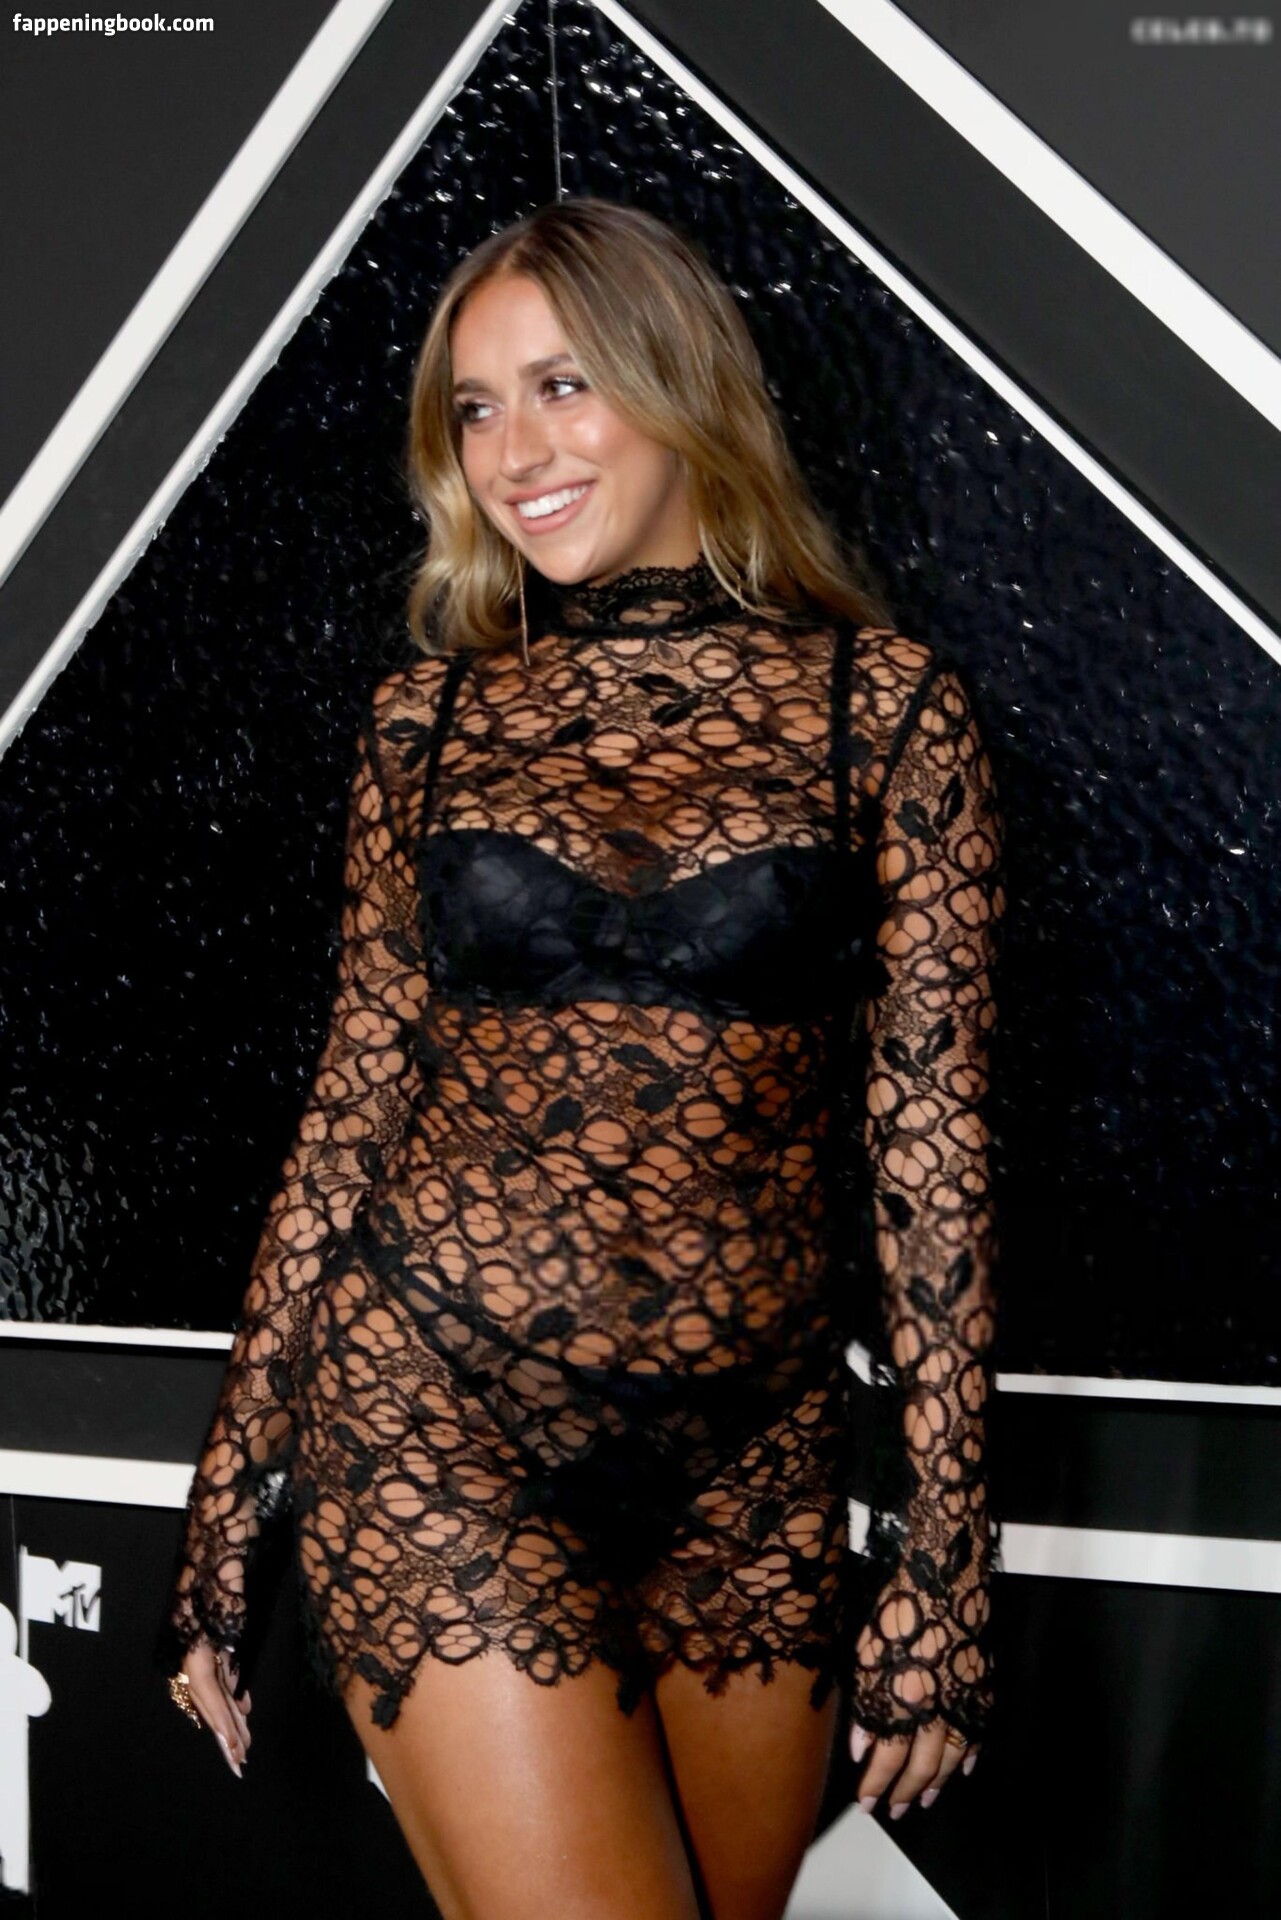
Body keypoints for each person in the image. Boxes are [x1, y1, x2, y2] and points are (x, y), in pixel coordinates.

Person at [161, 196, 1004, 1920]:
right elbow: (350, 1110)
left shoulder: (888, 713)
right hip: (433, 1404)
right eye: (474, 410)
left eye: (561, 387)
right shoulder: (426, 723)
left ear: (678, 381)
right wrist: (228, 1495)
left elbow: (932, 1156)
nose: (515, 454)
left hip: (754, 1455)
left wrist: (946, 1564)